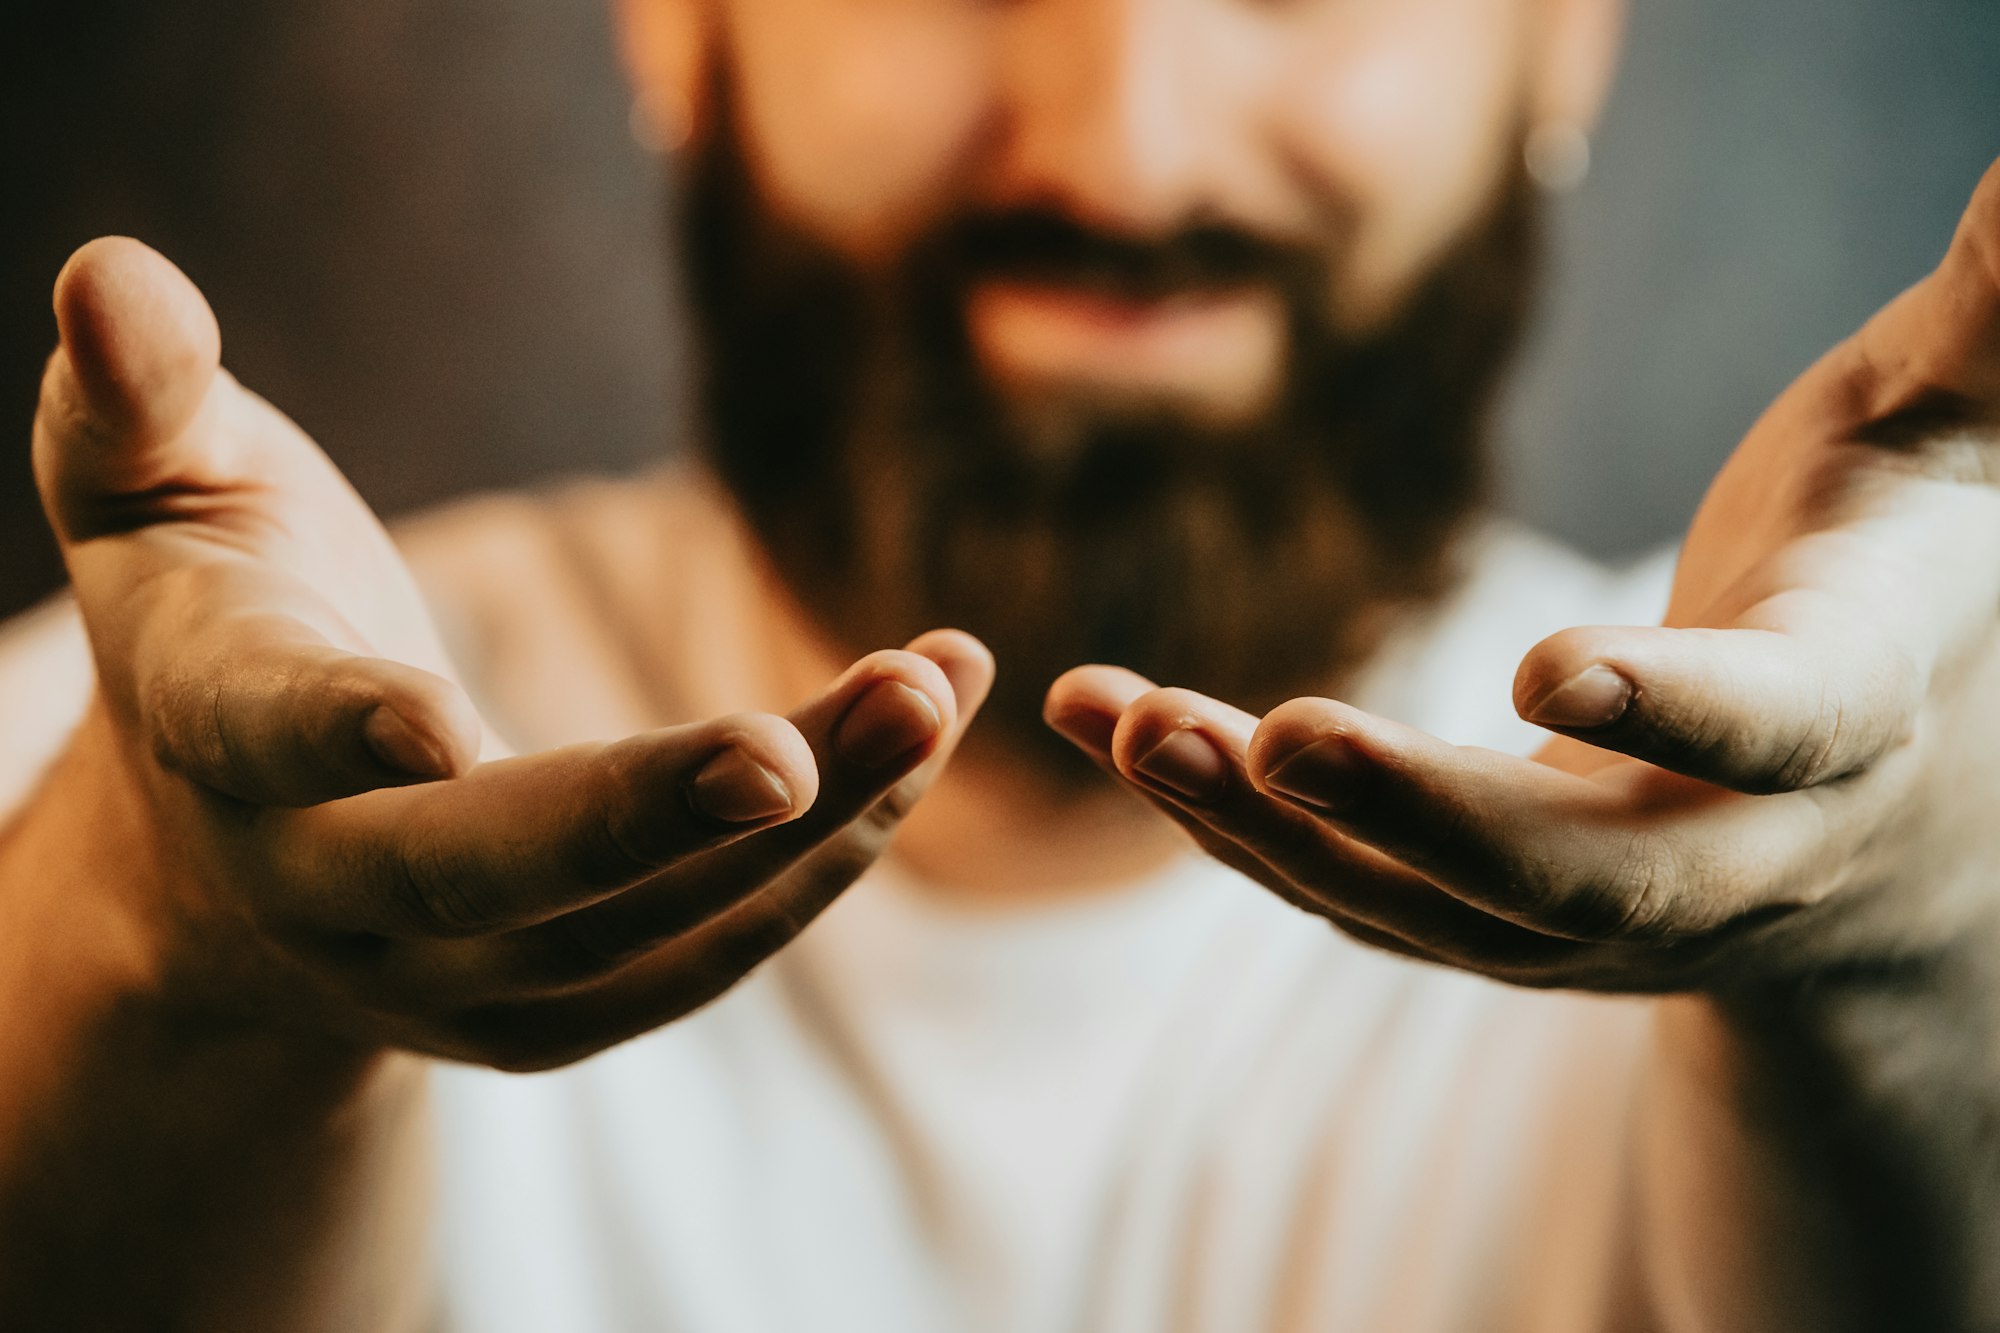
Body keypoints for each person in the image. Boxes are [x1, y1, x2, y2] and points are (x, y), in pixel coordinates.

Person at [2, 0, 1998, 1327]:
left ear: (1563, 37)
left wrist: (1906, 972)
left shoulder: (1839, 772)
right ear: (675, 23)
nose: (1120, 150)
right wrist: (161, 962)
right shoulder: (109, 764)